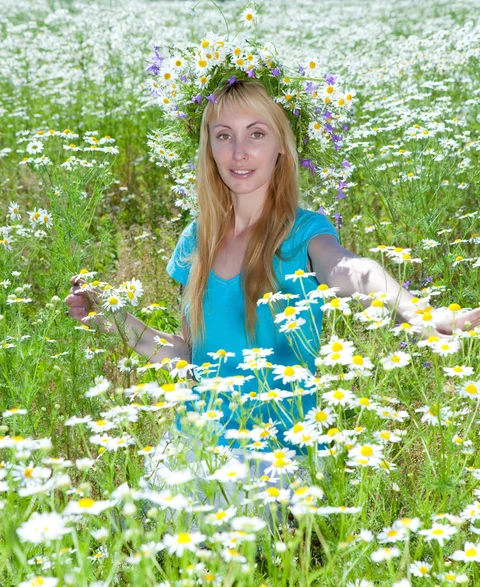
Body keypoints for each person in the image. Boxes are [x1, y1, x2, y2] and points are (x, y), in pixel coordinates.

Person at [66, 80, 480, 455]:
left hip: (277, 455)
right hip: (197, 449)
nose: (239, 153)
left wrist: (418, 312)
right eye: (224, 136)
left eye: (256, 134)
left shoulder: (305, 233)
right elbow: (190, 357)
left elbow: (358, 271)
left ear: (282, 144)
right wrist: (111, 317)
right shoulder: (197, 238)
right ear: (208, 147)